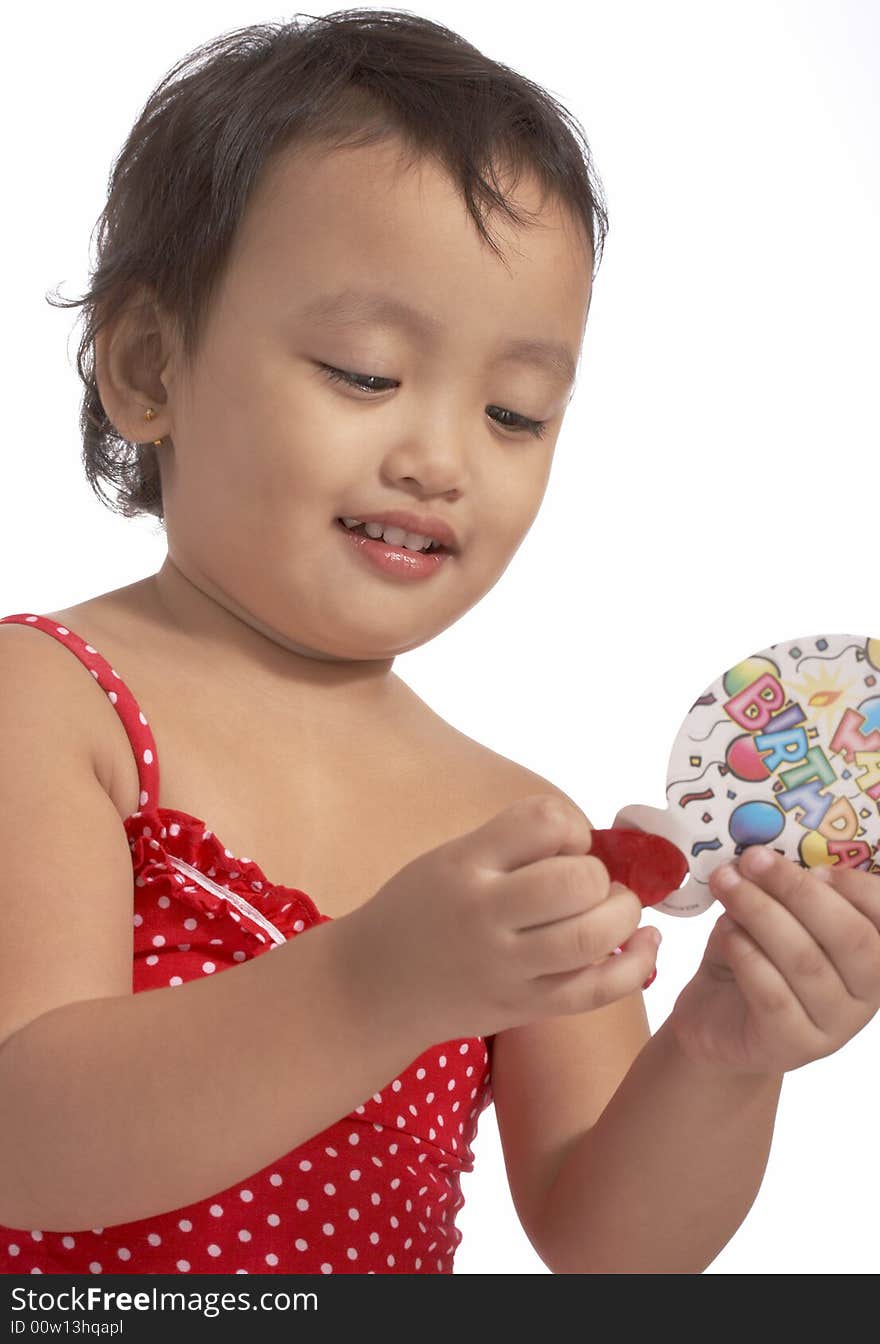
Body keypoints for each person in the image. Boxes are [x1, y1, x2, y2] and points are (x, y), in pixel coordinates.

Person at [1, 10, 878, 1278]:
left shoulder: (510, 817)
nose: (440, 459)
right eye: (365, 373)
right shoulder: (47, 703)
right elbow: (27, 1133)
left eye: (515, 413)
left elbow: (608, 1246)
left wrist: (720, 1057)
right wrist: (372, 988)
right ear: (149, 367)